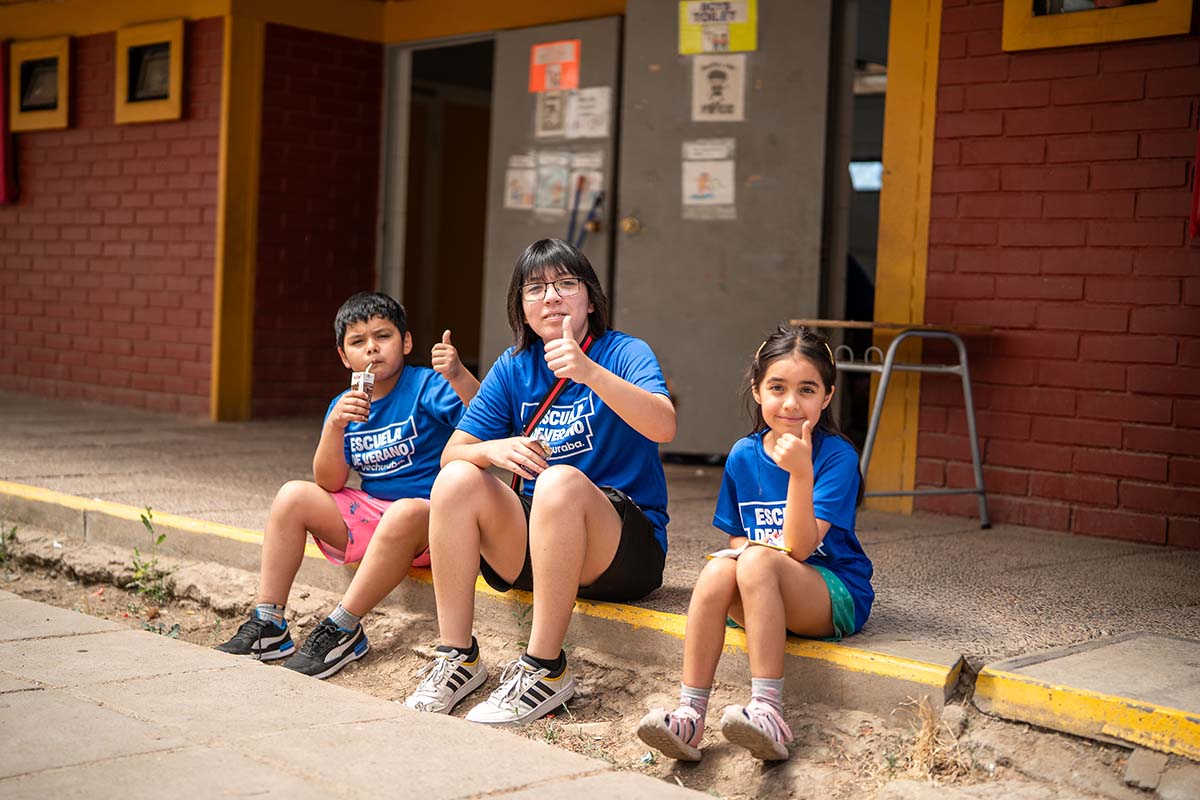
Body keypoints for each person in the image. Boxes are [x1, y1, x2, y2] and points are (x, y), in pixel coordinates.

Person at [404, 238, 675, 724]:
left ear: (590, 300)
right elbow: (452, 454)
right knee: (456, 480)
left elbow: (664, 425)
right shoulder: (513, 367)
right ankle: (458, 656)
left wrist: (589, 372)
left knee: (558, 481)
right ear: (521, 307)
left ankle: (546, 668)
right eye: (535, 288)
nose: (551, 297)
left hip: (622, 551)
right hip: (542, 547)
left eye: (566, 284)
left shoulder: (624, 352)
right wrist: (493, 449)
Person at [636, 324, 872, 761]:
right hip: (766, 586)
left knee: (758, 561)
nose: (790, 402)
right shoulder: (744, 455)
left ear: (827, 397)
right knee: (718, 568)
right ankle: (690, 715)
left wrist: (802, 473)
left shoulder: (836, 456)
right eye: (777, 387)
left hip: (833, 592)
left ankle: (768, 711)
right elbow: (738, 534)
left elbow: (800, 550)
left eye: (806, 390)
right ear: (757, 391)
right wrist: (746, 554)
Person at [215, 292, 479, 679]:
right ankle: (269, 622)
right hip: (374, 512)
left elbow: (485, 418)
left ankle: (343, 626)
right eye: (358, 342)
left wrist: (457, 374)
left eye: (383, 336)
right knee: (293, 495)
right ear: (344, 356)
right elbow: (330, 482)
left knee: (406, 511)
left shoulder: (426, 386)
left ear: (405, 342)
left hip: (429, 520)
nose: (371, 348)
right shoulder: (346, 402)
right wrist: (334, 426)